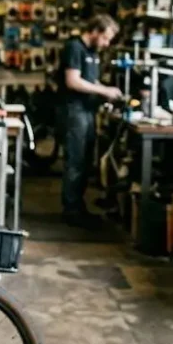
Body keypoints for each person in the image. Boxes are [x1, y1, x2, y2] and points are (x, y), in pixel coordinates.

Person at [57, 14, 124, 227]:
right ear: (95, 30)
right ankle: (71, 209)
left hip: (87, 111)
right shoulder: (75, 48)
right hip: (74, 111)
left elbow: (90, 81)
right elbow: (73, 81)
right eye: (105, 38)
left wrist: (105, 93)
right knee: (75, 161)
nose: (106, 44)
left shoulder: (92, 53)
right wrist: (104, 90)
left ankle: (78, 205)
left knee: (85, 161)